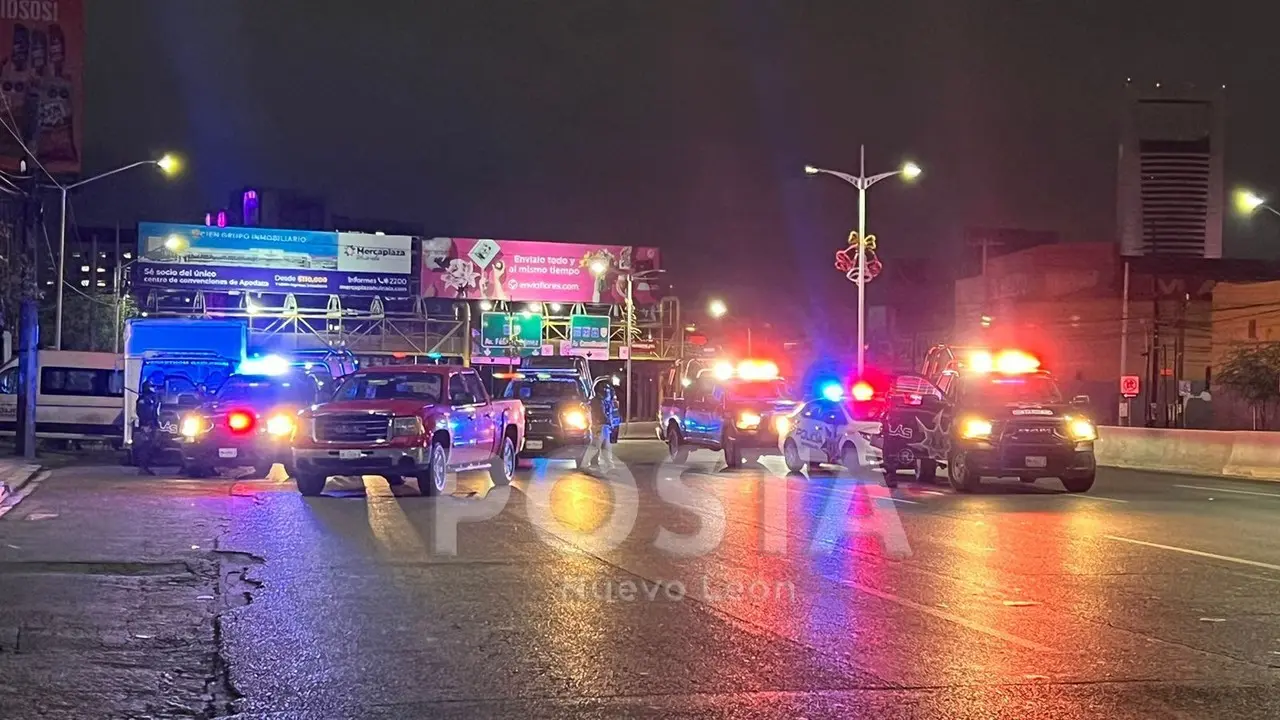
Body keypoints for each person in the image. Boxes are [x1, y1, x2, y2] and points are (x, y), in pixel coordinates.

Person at [580, 378, 615, 472]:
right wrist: (608, 422)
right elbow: (601, 414)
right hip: (599, 426)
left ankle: (610, 465)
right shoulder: (597, 401)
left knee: (606, 446)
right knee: (595, 446)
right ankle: (584, 464)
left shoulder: (601, 401)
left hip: (603, 426)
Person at [134, 372, 164, 475]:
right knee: (145, 447)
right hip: (146, 426)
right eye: (152, 386)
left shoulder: (151, 398)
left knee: (151, 446)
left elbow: (155, 412)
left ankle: (146, 466)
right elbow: (143, 413)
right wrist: (146, 425)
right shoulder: (143, 400)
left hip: (152, 425)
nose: (154, 388)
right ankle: (143, 468)